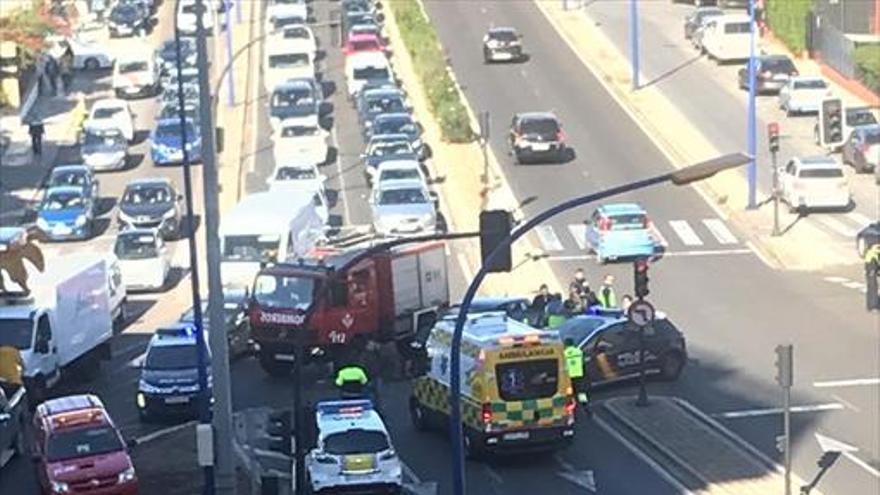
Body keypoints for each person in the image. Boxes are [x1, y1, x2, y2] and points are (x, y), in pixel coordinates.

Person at [563, 338, 590, 415]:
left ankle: (572, 411)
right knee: (581, 393)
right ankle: (585, 406)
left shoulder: (564, 353)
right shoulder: (578, 351)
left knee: (570, 394)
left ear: (565, 344)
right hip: (579, 375)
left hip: (568, 377)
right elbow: (582, 364)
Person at [865, 243, 880, 311]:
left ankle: (872, 305)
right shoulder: (873, 253)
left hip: (871, 269)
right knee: (873, 287)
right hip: (872, 269)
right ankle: (873, 306)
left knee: (872, 287)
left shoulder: (870, 252)